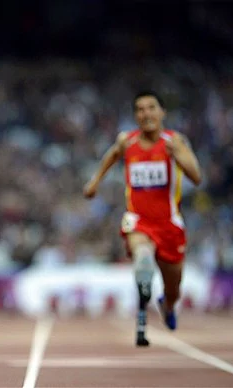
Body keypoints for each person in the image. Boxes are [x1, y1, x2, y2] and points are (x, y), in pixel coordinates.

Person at [83, 91, 202, 347]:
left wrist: (178, 156)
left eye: (151, 108)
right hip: (138, 220)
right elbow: (111, 156)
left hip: (169, 225)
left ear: (161, 113)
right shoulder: (127, 141)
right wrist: (94, 182)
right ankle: (144, 282)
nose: (146, 113)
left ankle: (167, 304)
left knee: (174, 289)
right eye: (140, 109)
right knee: (142, 254)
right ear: (135, 115)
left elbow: (196, 176)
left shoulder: (174, 141)